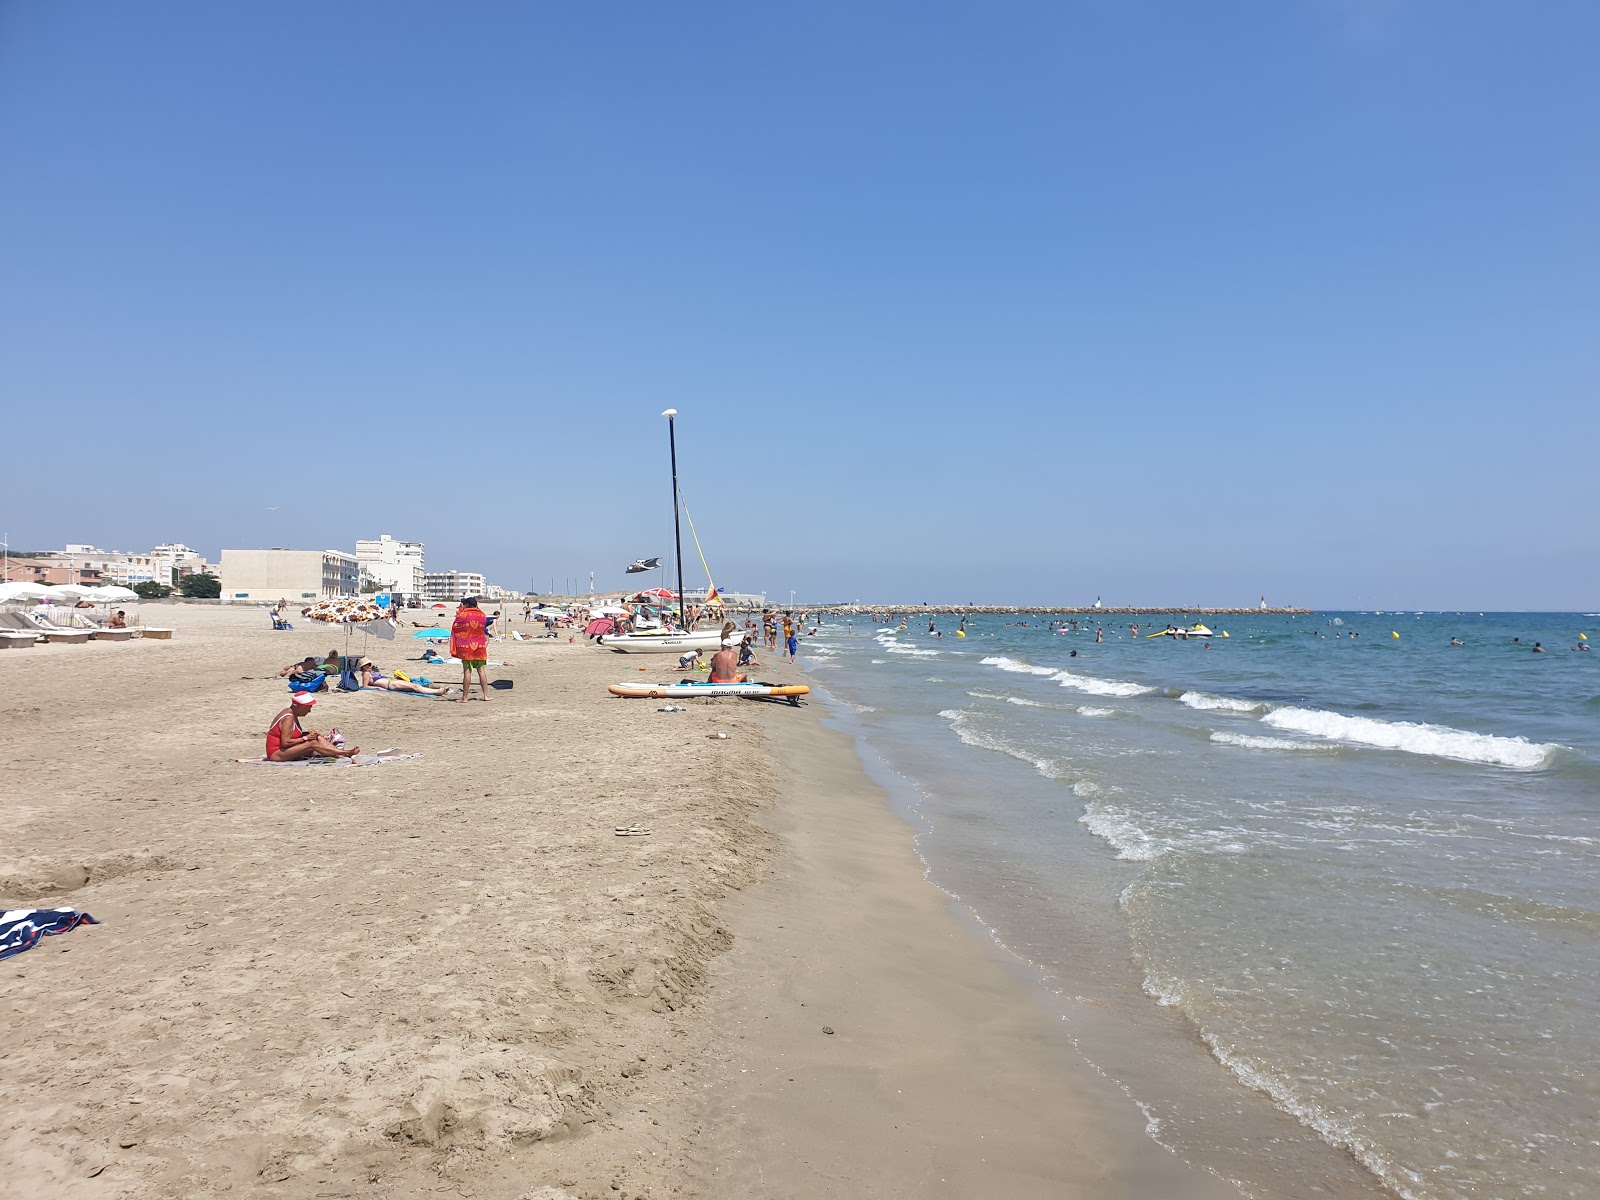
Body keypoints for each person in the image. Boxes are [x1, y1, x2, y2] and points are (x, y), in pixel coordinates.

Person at [265, 694, 358, 761]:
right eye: (308, 707)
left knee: (315, 736)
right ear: (299, 706)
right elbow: (285, 742)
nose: (309, 711)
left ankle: (339, 753)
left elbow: (292, 735)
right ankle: (346, 753)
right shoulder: (288, 718)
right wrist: (306, 738)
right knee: (312, 744)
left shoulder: (292, 714)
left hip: (284, 750)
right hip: (276, 754)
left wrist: (310, 735)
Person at [451, 597, 493, 702]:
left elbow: (456, 626)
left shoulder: (463, 614)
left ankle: (465, 698)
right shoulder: (482, 615)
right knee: (482, 671)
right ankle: (486, 696)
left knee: (467, 671)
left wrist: (461, 609)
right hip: (480, 646)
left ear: (466, 605)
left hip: (467, 647)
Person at [359, 661, 455, 697]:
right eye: (368, 665)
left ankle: (437, 691)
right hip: (390, 684)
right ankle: (438, 691)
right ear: (363, 667)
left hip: (391, 682)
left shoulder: (368, 672)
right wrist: (378, 688)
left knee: (415, 686)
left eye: (370, 664)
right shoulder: (366, 673)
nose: (370, 666)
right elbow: (365, 686)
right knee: (415, 687)